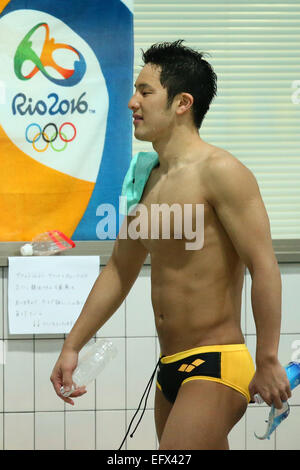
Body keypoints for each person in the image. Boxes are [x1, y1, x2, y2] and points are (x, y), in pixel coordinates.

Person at [50, 40, 291, 450]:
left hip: (216, 363)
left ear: (182, 103)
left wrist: (268, 357)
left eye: (145, 92)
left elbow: (263, 264)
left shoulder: (222, 171)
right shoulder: (146, 177)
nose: (132, 102)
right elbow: (120, 270)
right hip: (169, 369)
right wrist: (72, 345)